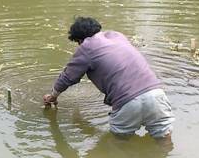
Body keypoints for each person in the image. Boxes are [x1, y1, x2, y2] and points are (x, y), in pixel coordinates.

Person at [43, 17, 174, 141]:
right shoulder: (117, 36)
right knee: (164, 137)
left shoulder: (86, 47)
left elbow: (67, 77)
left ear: (79, 40)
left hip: (127, 102)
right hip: (156, 94)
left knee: (118, 144)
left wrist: (53, 96)